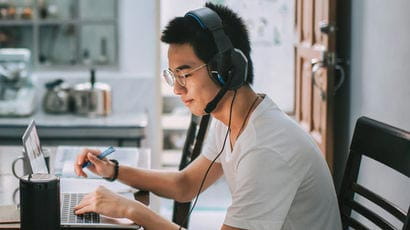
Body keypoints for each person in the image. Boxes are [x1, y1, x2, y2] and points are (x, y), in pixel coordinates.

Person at [73, 3, 342, 230]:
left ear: (226, 69)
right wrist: (114, 170)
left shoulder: (267, 148)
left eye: (185, 73)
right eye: (173, 75)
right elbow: (185, 184)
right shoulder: (231, 118)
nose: (177, 89)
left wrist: (133, 211)